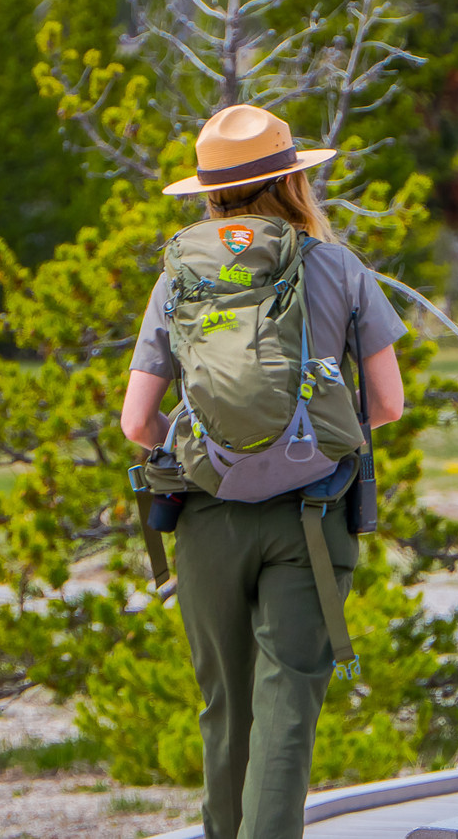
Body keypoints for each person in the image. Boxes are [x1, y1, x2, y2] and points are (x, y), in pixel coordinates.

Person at [118, 104, 406, 839]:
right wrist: (303, 435)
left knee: (226, 711)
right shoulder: (337, 266)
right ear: (291, 182)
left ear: (209, 191)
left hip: (207, 517)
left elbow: (136, 422)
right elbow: (388, 404)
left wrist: (212, 453)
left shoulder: (180, 273)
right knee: (286, 714)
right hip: (311, 521)